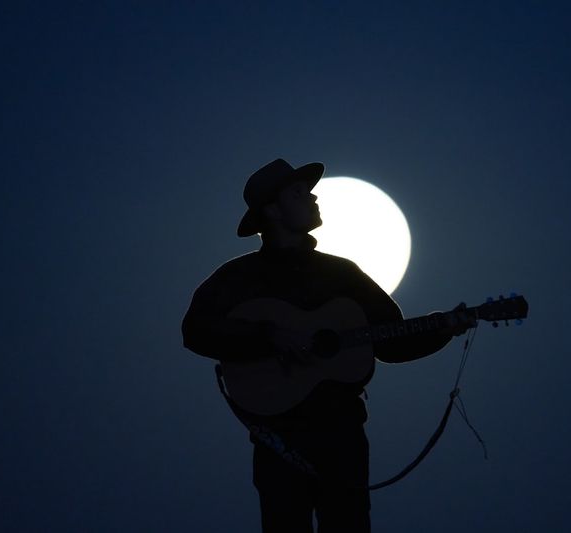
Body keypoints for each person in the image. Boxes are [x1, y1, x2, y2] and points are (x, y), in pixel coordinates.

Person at [182, 158, 473, 533]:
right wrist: (266, 335)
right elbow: (195, 331)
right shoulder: (236, 278)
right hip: (278, 438)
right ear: (272, 210)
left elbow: (391, 342)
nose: (313, 198)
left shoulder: (342, 273)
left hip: (342, 433)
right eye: (299, 193)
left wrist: (444, 328)